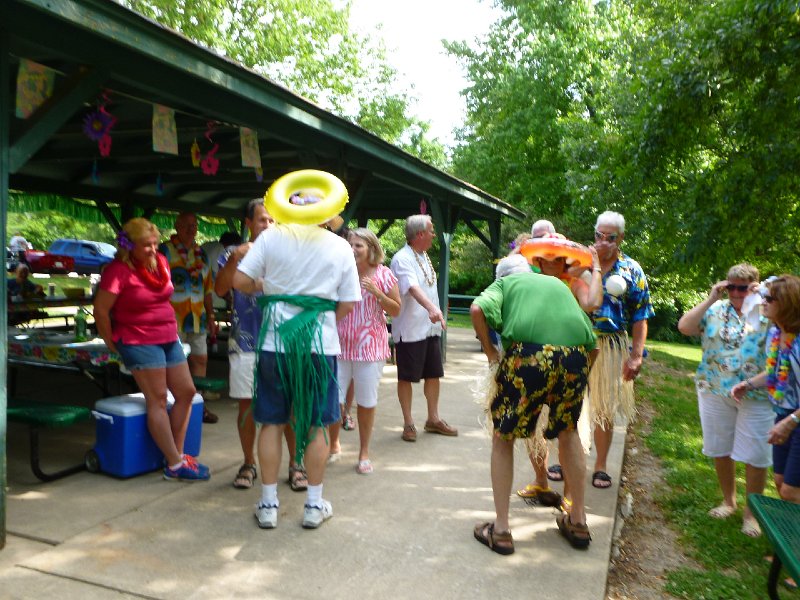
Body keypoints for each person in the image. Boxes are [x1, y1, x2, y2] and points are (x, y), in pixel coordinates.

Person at [233, 211, 360, 530]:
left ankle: (268, 504)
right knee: (317, 424)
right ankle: (314, 505)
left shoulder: (271, 238)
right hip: (319, 345)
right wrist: (320, 319)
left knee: (272, 422)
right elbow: (348, 303)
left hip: (274, 344)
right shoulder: (340, 246)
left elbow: (239, 281)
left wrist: (267, 286)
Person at [470, 265, 597, 553]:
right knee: (569, 433)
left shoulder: (505, 284)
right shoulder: (557, 284)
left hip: (529, 357)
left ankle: (501, 530)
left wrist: (491, 353)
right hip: (575, 357)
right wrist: (576, 380)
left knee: (503, 437)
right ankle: (578, 521)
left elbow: (477, 309)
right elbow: (594, 346)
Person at [94, 218, 209, 481]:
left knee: (186, 392)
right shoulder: (117, 271)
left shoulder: (161, 262)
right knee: (157, 399)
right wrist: (112, 341)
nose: (153, 249)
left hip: (168, 336)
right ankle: (175, 464)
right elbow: (101, 310)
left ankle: (176, 455)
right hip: (138, 339)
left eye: (155, 243)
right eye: (147, 245)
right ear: (129, 246)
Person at [551, 211, 653, 491]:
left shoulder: (631, 269)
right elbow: (555, 286)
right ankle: (564, 460)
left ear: (620, 238)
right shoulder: (577, 260)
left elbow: (641, 315)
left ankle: (601, 466)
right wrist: (580, 267)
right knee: (568, 403)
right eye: (599, 235)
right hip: (574, 341)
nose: (603, 241)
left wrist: (636, 355)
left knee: (604, 407)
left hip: (610, 344)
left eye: (610, 237)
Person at [214, 200, 308, 491]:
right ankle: (248, 463)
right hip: (246, 340)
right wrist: (235, 258)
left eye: (272, 220)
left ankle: (296, 464)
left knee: (290, 405)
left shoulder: (289, 251)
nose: (267, 225)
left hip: (284, 340)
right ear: (248, 223)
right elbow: (220, 288)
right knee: (247, 405)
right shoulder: (232, 253)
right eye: (262, 220)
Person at [678, 264, 770, 537]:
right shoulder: (715, 309)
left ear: (755, 285)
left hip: (757, 394)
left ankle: (751, 514)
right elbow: (685, 327)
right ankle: (729, 501)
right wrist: (711, 298)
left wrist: (763, 296)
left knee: (756, 454)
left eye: (744, 287)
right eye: (732, 287)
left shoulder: (768, 310)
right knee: (721, 448)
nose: (737, 293)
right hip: (714, 387)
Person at [517, 233, 602, 508]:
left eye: (557, 258)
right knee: (532, 428)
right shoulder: (529, 283)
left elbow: (592, 303)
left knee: (569, 431)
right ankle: (541, 480)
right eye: (545, 257)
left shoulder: (574, 284)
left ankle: (569, 494)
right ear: (538, 261)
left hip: (568, 365)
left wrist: (596, 269)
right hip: (535, 363)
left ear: (565, 261)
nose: (551, 261)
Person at [328, 228, 401, 474]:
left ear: (371, 248)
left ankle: (364, 453)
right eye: (350, 244)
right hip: (339, 345)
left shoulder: (384, 274)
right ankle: (334, 444)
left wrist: (377, 293)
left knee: (367, 402)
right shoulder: (341, 271)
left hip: (369, 348)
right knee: (334, 399)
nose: (352, 249)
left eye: (358, 245)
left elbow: (396, 310)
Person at [732, 276, 800, 505]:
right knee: (780, 482)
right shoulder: (776, 334)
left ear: (787, 303)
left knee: (791, 490)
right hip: (785, 414)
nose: (763, 302)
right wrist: (748, 384)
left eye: (769, 299)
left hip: (795, 418)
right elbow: (775, 372)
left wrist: (791, 421)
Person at [390, 214, 457, 442]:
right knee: (406, 377)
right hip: (410, 329)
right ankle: (408, 423)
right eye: (431, 231)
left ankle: (433, 419)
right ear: (420, 234)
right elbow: (412, 288)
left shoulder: (424, 255)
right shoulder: (402, 259)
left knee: (433, 374)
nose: (434, 235)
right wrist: (432, 309)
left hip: (429, 328)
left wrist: (434, 313)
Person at [160, 212, 219, 424]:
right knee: (174, 362)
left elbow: (208, 289)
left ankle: (198, 406)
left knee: (200, 359)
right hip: (172, 317)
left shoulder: (201, 255)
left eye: (194, 225)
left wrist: (211, 315)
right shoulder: (165, 251)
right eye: (186, 225)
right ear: (176, 226)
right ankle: (172, 405)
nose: (190, 229)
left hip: (198, 317)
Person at [203, 231, 242, 314]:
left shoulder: (208, 246)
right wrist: (230, 299)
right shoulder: (221, 251)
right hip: (207, 301)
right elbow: (222, 282)